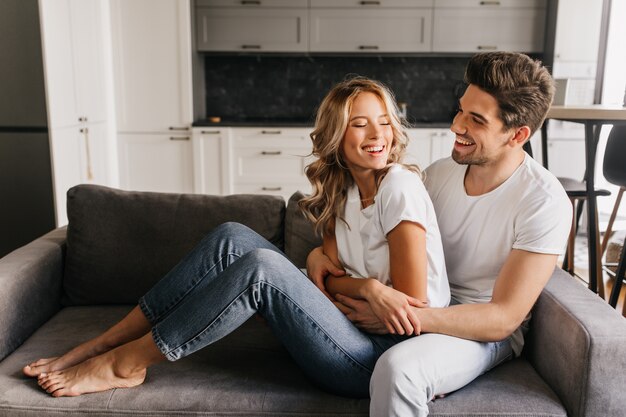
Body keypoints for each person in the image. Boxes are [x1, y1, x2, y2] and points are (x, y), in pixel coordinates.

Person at [23, 77, 450, 398]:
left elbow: (409, 310)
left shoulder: (399, 186)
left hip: (377, 359)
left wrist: (360, 287)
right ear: (337, 138)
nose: (378, 135)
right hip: (346, 329)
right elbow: (329, 277)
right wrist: (360, 284)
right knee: (232, 236)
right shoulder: (345, 191)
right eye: (360, 124)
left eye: (384, 122)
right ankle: (108, 340)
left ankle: (125, 363)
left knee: (262, 270)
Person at [307, 52, 573, 416]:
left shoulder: (544, 200)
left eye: (476, 120)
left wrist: (396, 315)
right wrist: (318, 255)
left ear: (517, 134)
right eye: (461, 110)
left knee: (400, 369)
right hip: (425, 309)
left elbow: (504, 318)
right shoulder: (436, 175)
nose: (456, 126)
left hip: (479, 331)